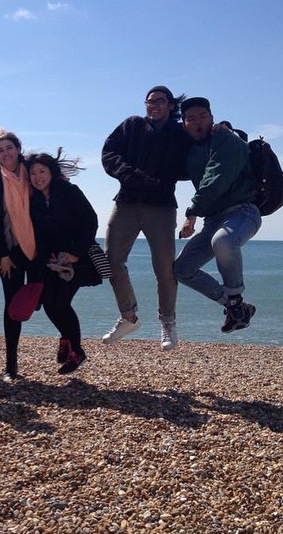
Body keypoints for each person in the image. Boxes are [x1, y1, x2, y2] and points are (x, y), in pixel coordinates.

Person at [101, 85, 190, 351]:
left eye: (159, 101)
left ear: (171, 105)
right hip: (126, 202)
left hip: (161, 207)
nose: (153, 105)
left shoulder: (179, 133)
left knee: (164, 268)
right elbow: (109, 152)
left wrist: (225, 129)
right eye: (149, 101)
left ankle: (168, 322)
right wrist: (130, 175)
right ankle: (128, 316)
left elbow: (199, 149)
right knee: (111, 261)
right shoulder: (132, 125)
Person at [174, 97, 261, 332]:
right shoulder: (190, 152)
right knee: (181, 270)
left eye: (203, 116)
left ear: (212, 118)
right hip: (212, 220)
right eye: (191, 119)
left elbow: (215, 178)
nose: (198, 122)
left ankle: (234, 300)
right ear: (184, 125)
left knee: (222, 241)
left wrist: (191, 213)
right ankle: (238, 308)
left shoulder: (226, 139)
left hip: (243, 212)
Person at [26, 150, 101, 374]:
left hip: (77, 259)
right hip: (51, 260)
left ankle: (76, 351)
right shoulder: (34, 199)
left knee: (61, 302)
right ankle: (66, 340)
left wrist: (75, 253)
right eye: (33, 173)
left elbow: (91, 220)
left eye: (42, 171)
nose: (38, 177)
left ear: (51, 172)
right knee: (49, 303)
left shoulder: (69, 191)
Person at [0, 128, 38, 381]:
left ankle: (70, 349)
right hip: (10, 251)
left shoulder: (34, 170)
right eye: (0, 150)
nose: (5, 153)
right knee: (12, 308)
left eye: (9, 148)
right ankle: (11, 365)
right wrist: (2, 255)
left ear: (18, 149)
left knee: (48, 299)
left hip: (40, 248)